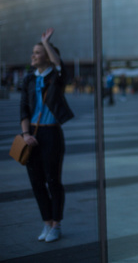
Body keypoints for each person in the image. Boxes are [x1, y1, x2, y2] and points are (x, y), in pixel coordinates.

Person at [20, 28, 74, 243]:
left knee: (53, 181)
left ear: (48, 57)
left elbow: (60, 67)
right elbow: (23, 108)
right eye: (33, 52)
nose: (33, 55)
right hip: (31, 134)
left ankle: (56, 224)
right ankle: (46, 222)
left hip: (51, 134)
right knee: (36, 182)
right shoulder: (28, 80)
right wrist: (25, 134)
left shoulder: (56, 78)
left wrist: (46, 43)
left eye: (38, 52)